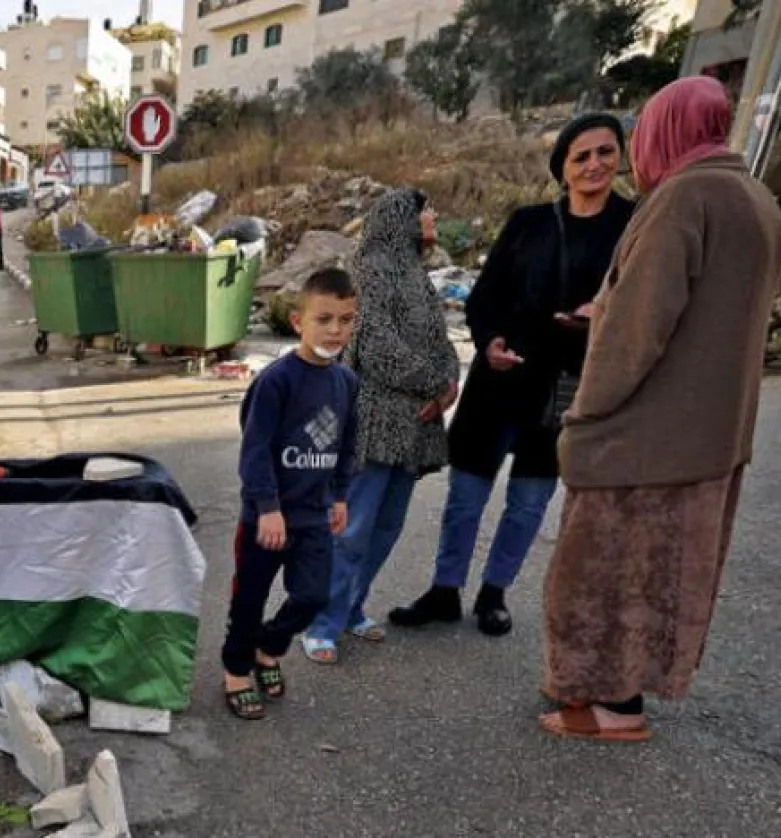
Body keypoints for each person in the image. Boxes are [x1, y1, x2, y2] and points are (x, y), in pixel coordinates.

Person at [539, 76, 781, 741]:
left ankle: (605, 706)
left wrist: (584, 420)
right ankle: (622, 701)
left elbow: (636, 331)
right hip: (714, 433)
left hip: (642, 438)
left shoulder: (682, 200)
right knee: (666, 580)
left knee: (601, 578)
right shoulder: (757, 200)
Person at [390, 114, 636, 638]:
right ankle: (444, 589)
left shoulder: (634, 226)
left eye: (605, 152)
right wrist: (491, 341)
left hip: (565, 386)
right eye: (581, 156)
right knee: (466, 495)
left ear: (620, 157)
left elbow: (644, 302)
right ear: (563, 167)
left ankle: (494, 594)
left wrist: (602, 314)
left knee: (528, 501)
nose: (594, 164)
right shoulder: (529, 223)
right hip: (500, 378)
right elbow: (486, 295)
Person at [298, 188, 460, 664]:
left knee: (386, 526)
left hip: (413, 424)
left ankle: (351, 607)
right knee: (352, 529)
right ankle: (321, 621)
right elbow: (374, 345)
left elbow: (440, 339)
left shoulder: (415, 273)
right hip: (375, 420)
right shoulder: (369, 272)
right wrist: (434, 382)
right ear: (399, 219)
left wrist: (448, 383)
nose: (431, 216)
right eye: (424, 210)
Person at [221, 267, 359, 720]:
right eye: (324, 319)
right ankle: (237, 668)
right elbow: (256, 449)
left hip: (314, 516)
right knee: (250, 596)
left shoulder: (345, 384)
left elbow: (345, 445)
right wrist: (267, 508)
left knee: (314, 596)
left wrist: (339, 496)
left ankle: (270, 644)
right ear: (299, 322)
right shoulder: (277, 381)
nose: (335, 329)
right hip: (268, 518)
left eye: (345, 319)